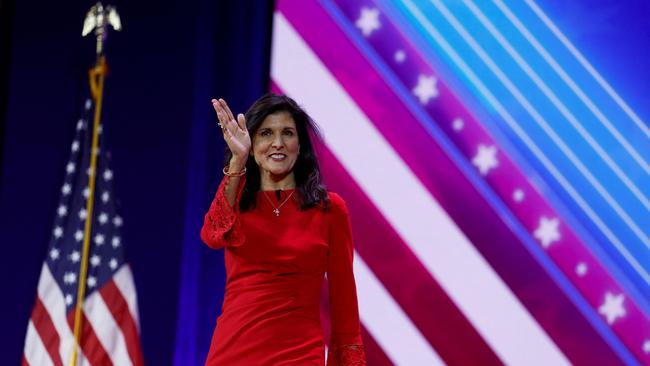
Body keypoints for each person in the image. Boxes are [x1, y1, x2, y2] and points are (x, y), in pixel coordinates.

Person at [200, 93, 367, 365]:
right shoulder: (235, 202)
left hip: (299, 355)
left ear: (299, 145)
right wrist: (237, 162)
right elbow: (212, 236)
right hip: (233, 352)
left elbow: (344, 304)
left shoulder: (330, 209)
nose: (277, 143)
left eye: (287, 133)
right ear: (252, 145)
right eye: (266, 133)